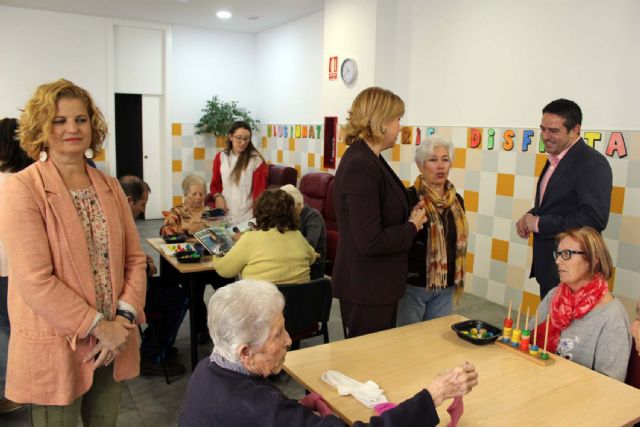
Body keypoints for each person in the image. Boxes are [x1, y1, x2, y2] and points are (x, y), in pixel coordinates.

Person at [0, 79, 147, 425]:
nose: (72, 128)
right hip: (59, 341)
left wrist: (122, 323)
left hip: (113, 342)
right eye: (59, 120)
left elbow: (135, 260)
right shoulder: (22, 189)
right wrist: (100, 327)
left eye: (81, 119)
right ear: (41, 127)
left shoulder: (109, 186)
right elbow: (35, 281)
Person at [180, 279, 479, 426]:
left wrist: (294, 406)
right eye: (277, 334)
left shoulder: (208, 370)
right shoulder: (263, 409)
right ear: (245, 352)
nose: (288, 340)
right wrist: (435, 393)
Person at [332, 87, 427, 338]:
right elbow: (370, 241)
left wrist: (410, 209)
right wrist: (411, 227)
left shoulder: (370, 159)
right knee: (365, 365)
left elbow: (382, 206)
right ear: (381, 122)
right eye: (397, 120)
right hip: (366, 286)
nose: (399, 127)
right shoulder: (361, 165)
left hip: (376, 284)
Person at [516, 99, 612, 300]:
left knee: (568, 331)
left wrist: (540, 223)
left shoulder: (592, 163)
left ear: (575, 130)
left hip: (574, 269)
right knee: (551, 328)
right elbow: (558, 203)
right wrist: (531, 215)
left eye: (553, 131)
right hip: (550, 267)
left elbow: (594, 219)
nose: (545, 136)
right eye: (542, 129)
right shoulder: (555, 158)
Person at [530, 226, 630, 381]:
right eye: (558, 254)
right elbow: (527, 340)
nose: (557, 261)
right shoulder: (554, 296)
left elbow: (610, 386)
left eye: (567, 254)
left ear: (593, 260)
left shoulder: (613, 317)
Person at [118, 175, 188, 377]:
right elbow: (120, 267)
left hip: (131, 286)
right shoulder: (118, 224)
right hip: (128, 294)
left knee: (174, 285)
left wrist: (140, 259)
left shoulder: (117, 219)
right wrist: (145, 268)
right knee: (179, 298)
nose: (143, 209)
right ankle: (152, 356)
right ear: (129, 200)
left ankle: (159, 344)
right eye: (142, 204)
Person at [397, 136, 468, 325]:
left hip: (446, 284)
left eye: (445, 159)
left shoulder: (457, 201)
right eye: (433, 160)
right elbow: (401, 240)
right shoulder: (408, 198)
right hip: (414, 284)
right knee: (407, 341)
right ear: (420, 166)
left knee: (435, 339)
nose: (440, 166)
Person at [212, 189, 317, 284]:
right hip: (299, 303)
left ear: (259, 212)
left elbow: (224, 270)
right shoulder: (298, 236)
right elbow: (312, 258)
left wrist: (217, 248)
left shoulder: (250, 238)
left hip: (260, 303)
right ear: (292, 213)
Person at [0, 117, 32, 415]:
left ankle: (13, 390)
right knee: (18, 327)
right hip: (23, 269)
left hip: (6, 267)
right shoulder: (29, 181)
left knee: (7, 327)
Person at [209, 120, 268, 225]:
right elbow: (214, 185)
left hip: (247, 218)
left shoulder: (256, 160)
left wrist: (258, 219)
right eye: (239, 138)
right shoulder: (221, 157)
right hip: (225, 216)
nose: (243, 142)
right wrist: (218, 197)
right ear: (231, 137)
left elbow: (259, 194)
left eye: (246, 139)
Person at [280, 184, 327, 279]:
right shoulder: (289, 216)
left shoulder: (313, 216)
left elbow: (309, 244)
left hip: (311, 267)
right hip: (291, 262)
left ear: (298, 205)